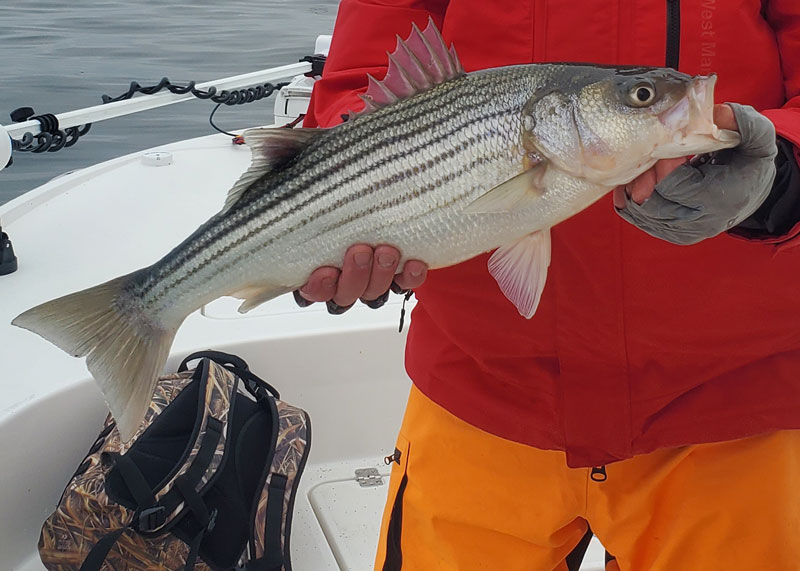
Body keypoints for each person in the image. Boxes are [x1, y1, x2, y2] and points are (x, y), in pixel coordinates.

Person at [298, 2, 800, 569]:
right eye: (643, 97)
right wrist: (351, 198)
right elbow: (364, 76)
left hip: (734, 400)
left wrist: (782, 176)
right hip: (481, 389)